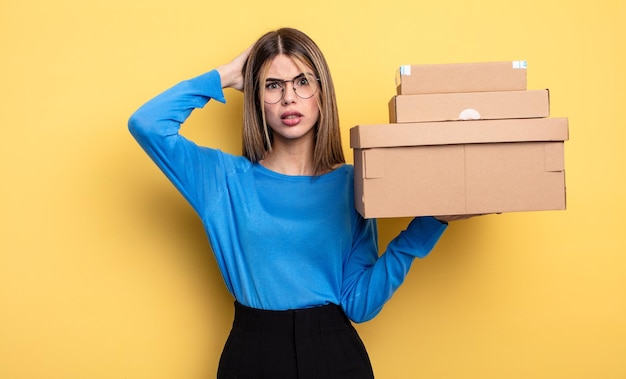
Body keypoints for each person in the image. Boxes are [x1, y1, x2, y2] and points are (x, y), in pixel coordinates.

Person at [129, 27, 464, 379]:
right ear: (256, 97)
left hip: (334, 355)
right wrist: (226, 75)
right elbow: (147, 124)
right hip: (252, 355)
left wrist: (431, 222)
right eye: (273, 85)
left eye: (303, 82)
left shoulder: (354, 183)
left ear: (322, 92)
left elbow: (359, 304)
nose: (289, 97)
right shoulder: (223, 180)